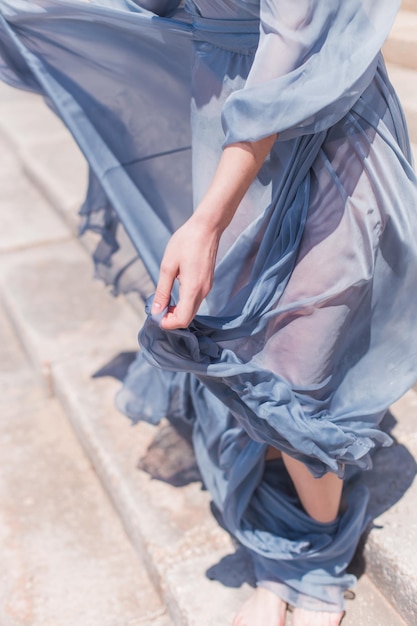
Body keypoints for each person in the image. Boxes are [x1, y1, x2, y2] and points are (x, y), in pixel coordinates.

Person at [1, 0, 417, 624]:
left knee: (299, 360)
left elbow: (289, 48)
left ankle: (313, 565)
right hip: (221, 107)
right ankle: (291, 559)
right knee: (253, 346)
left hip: (327, 114)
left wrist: (208, 221)